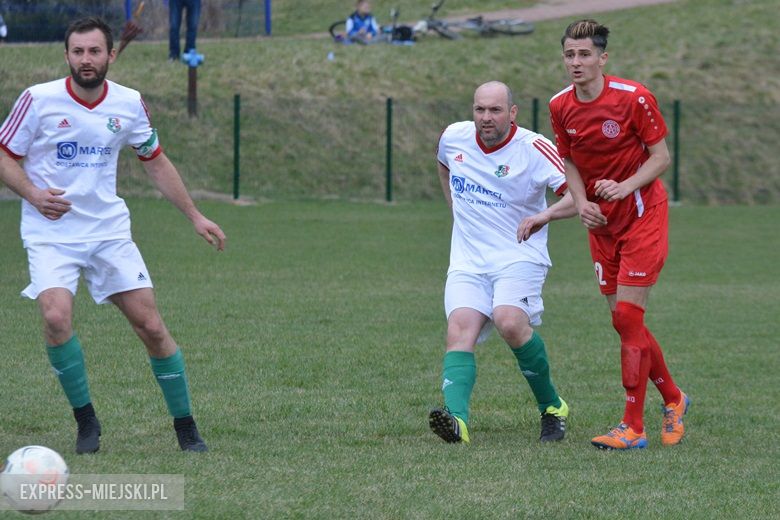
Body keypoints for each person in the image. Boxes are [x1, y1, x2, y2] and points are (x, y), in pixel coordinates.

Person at [0, 17, 226, 453]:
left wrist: (195, 216)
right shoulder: (37, 100)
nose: (86, 59)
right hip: (50, 232)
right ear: (67, 55)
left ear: (110, 55)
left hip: (108, 232)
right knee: (55, 317)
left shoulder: (129, 104)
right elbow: (5, 155)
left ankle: (185, 427)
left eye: (94, 51)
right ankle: (86, 422)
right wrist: (32, 193)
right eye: (78, 52)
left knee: (152, 326)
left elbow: (155, 161)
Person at [549, 19, 689, 450]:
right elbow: (569, 160)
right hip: (602, 225)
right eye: (570, 54)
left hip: (644, 216)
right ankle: (674, 397)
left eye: (585, 54)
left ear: (602, 58)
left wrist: (626, 186)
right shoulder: (560, 105)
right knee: (622, 320)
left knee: (629, 318)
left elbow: (661, 156)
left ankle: (633, 427)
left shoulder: (634, 98)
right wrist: (582, 203)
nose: (576, 62)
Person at [429, 80, 576, 444]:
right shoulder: (454, 137)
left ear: (512, 113)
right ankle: (457, 422)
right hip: (468, 259)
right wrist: (455, 209)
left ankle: (553, 407)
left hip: (519, 255)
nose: (486, 118)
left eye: (495, 110)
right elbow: (443, 164)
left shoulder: (535, 148)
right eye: (479, 110)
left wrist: (545, 216)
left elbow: (579, 196)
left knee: (510, 322)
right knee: (459, 329)